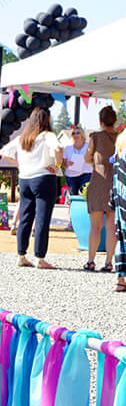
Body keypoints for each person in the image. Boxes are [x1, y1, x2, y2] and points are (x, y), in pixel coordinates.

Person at [2, 107, 62, 269]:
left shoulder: (23, 137)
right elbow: (57, 148)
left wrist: (19, 164)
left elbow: (4, 152)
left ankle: (21, 255)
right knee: (42, 219)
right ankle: (39, 257)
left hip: (25, 179)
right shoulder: (48, 135)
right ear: (47, 120)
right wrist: (57, 165)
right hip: (43, 178)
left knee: (25, 217)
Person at [83, 105, 118, 272]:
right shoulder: (121, 137)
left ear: (100, 121)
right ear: (115, 121)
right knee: (112, 226)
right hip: (116, 182)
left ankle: (91, 260)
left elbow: (87, 157)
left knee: (95, 226)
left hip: (98, 181)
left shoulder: (95, 137)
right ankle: (109, 262)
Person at [111, 128, 126, 291]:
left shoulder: (121, 139)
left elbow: (116, 171)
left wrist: (113, 197)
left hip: (121, 195)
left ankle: (120, 278)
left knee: (121, 236)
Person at [61, 126, 92, 197]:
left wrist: (88, 159)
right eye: (73, 133)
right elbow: (63, 164)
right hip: (71, 175)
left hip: (86, 174)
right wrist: (67, 163)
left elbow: (93, 159)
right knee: (73, 196)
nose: (75, 135)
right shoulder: (68, 148)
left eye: (78, 133)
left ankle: (84, 208)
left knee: (85, 194)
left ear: (82, 135)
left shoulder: (89, 146)